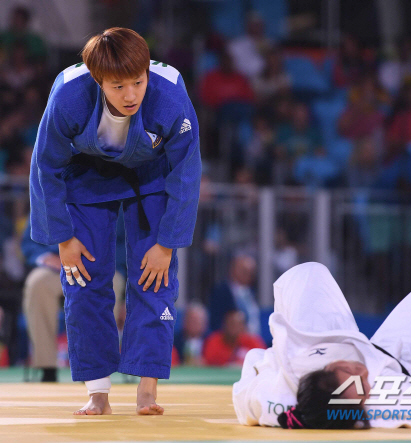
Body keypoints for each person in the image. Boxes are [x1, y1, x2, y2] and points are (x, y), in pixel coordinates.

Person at [29, 28, 201, 415]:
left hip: (152, 178)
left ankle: (147, 391)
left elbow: (187, 173)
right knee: (83, 277)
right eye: (118, 86)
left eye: (138, 82)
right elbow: (45, 167)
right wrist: (63, 238)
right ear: (98, 79)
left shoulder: (170, 93)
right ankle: (98, 393)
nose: (130, 95)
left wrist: (166, 245)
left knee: (155, 278)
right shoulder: (69, 95)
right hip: (87, 176)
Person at [233, 262, 411, 429]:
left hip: (323, 344)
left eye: (350, 373)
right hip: (399, 363)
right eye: (362, 387)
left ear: (329, 369)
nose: (362, 373)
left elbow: (254, 362)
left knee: (308, 273)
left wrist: (277, 358)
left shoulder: (277, 397)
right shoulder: (389, 399)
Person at [21, 218, 127, 383]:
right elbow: (29, 242)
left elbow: (126, 243)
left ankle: (97, 367)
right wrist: (45, 257)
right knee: (37, 283)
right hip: (58, 264)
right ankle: (47, 367)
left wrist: (103, 260)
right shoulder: (49, 201)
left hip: (102, 265)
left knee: (112, 283)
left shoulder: (118, 202)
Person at [208, 254, 260, 335]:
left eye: (251, 272)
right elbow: (216, 321)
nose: (248, 275)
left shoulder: (251, 291)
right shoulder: (221, 292)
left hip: (253, 339)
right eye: (244, 271)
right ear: (233, 269)